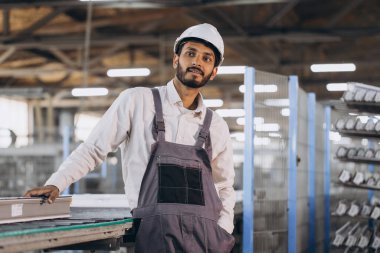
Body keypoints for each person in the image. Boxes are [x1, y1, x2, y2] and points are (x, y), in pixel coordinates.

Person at [24, 23, 236, 253]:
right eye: (190, 53)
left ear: (213, 71)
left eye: (207, 58)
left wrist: (222, 230)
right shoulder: (138, 102)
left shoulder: (216, 126)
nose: (197, 62)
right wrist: (57, 182)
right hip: (152, 234)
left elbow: (223, 186)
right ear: (176, 59)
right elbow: (94, 148)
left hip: (204, 240)